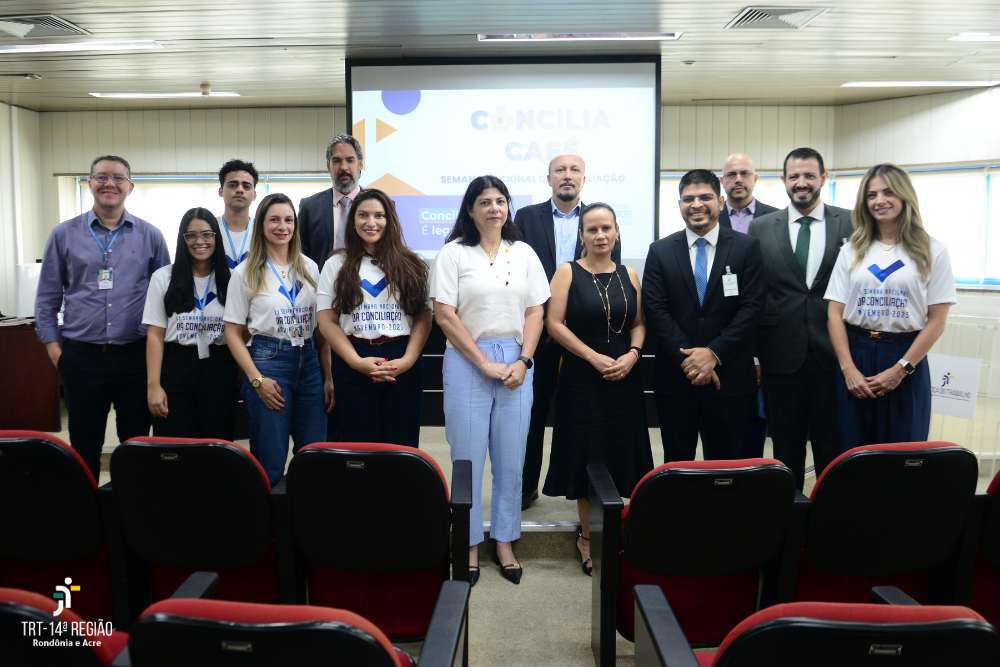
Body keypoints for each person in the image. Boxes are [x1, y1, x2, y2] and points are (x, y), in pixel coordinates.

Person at [429, 175, 549, 586]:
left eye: (500, 201)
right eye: (484, 201)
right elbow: (445, 315)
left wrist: (524, 360)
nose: (494, 208)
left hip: (517, 363)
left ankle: (505, 541)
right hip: (468, 360)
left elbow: (535, 311)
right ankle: (467, 544)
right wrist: (483, 363)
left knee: (511, 460)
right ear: (470, 209)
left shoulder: (524, 252)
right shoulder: (453, 253)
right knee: (467, 459)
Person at [35, 155, 170, 477]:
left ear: (130, 187)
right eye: (102, 177)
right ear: (90, 183)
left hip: (135, 358)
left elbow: (167, 299)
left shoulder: (151, 236)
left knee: (135, 447)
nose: (110, 184)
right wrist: (56, 353)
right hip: (82, 358)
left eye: (118, 178)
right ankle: (87, 509)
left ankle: (129, 507)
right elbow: (47, 298)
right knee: (84, 447)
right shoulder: (63, 234)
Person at [542, 203, 652, 576]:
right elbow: (554, 324)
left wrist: (633, 355)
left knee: (622, 449)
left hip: (624, 376)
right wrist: (592, 357)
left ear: (617, 232)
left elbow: (638, 323)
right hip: (581, 377)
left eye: (606, 228)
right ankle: (588, 538)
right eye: (592, 229)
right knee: (588, 453)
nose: (600, 235)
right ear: (582, 236)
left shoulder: (629, 274)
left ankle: (619, 531)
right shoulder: (566, 272)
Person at [514, 152, 622, 511]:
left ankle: (591, 487)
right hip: (537, 331)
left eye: (575, 170)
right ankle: (526, 486)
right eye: (560, 170)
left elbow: (610, 275)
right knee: (532, 413)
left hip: (584, 335)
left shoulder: (599, 219)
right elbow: (518, 271)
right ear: (549, 179)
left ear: (583, 179)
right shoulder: (526, 217)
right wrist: (544, 320)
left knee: (586, 414)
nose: (567, 175)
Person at [825, 164, 955, 450]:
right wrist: (848, 369)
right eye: (871, 195)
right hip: (856, 353)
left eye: (888, 192)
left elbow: (937, 320)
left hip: (904, 356)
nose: (879, 201)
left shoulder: (933, 250)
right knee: (852, 451)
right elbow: (834, 314)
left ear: (904, 196)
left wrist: (901, 369)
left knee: (901, 453)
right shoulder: (852, 250)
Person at [642, 169, 766, 463]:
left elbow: (752, 308)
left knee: (726, 465)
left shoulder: (747, 247)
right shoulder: (660, 251)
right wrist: (691, 361)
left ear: (720, 202)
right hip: (676, 378)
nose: (696, 204)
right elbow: (656, 310)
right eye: (688, 199)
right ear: (680, 205)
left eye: (705, 197)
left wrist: (713, 354)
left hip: (729, 376)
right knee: (677, 465)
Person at [749, 148, 853, 490]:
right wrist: (755, 355)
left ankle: (829, 514)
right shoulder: (761, 227)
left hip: (833, 355)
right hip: (779, 356)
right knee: (785, 448)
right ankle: (789, 515)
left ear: (824, 178)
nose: (801, 183)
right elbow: (756, 294)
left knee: (832, 447)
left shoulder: (851, 223)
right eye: (794, 176)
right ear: (783, 180)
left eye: (809, 175)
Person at [224, 193, 332, 485]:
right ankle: (269, 515)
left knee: (313, 457)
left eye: (288, 220)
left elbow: (321, 328)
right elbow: (232, 332)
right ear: (261, 225)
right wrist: (256, 380)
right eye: (274, 220)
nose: (282, 227)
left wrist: (328, 375)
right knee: (270, 459)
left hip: (310, 363)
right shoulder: (245, 272)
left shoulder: (310, 267)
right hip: (269, 363)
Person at [316, 189, 432, 448]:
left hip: (402, 360)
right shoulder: (336, 264)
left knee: (401, 449)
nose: (371, 222)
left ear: (390, 220)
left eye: (379, 215)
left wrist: (408, 360)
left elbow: (423, 316)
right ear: (352, 221)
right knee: (361, 450)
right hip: (353, 359)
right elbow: (326, 321)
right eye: (363, 215)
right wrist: (356, 362)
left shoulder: (411, 263)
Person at [143, 208, 237, 439]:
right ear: (182, 239)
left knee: (217, 443)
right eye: (191, 235)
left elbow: (240, 331)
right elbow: (155, 335)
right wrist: (153, 385)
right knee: (176, 443)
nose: (199, 241)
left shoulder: (232, 278)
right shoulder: (163, 277)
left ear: (216, 237)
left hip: (219, 365)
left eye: (206, 234)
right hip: (177, 364)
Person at [718, 153, 779, 458]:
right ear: (722, 181)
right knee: (719, 429)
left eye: (744, 173)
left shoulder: (777, 220)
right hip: (719, 337)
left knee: (757, 420)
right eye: (731, 175)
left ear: (755, 178)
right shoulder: (707, 218)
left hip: (764, 335)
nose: (738, 180)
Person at [299, 134, 365, 270]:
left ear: (360, 164)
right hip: (320, 281)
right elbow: (301, 255)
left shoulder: (380, 206)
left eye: (350, 160)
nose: (344, 167)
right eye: (336, 161)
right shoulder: (309, 207)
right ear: (328, 166)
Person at [217, 159, 259, 269]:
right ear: (220, 191)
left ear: (254, 195)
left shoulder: (262, 230)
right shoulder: (210, 228)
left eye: (247, 186)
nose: (240, 190)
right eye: (232, 185)